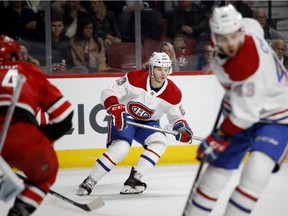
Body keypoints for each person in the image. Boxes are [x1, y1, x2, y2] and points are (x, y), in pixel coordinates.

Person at [185, 4, 288, 216]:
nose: (230, 43)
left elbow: (245, 116)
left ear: (239, 31)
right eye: (223, 37)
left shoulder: (245, 67)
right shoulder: (248, 26)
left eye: (233, 36)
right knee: (216, 173)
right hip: (243, 108)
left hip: (276, 115)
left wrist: (217, 137)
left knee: (256, 172)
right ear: (214, 36)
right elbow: (254, 27)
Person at [76, 52, 194, 196]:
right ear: (150, 69)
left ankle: (134, 179)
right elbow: (108, 92)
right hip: (125, 117)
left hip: (149, 123)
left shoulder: (174, 93)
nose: (163, 74)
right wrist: (115, 107)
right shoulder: (134, 78)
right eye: (159, 69)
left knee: (160, 141)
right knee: (121, 148)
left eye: (166, 69)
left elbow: (176, 117)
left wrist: (181, 128)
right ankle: (90, 181)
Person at [0, 35, 74, 216]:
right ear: (16, 56)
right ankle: (19, 212)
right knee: (46, 174)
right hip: (22, 136)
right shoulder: (29, 71)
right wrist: (44, 137)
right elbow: (64, 117)